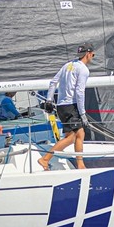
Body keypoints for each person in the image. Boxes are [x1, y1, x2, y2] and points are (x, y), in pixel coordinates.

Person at [38, 43, 94, 171]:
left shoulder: (67, 65)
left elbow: (53, 82)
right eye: (93, 55)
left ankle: (81, 165)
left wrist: (49, 100)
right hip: (71, 106)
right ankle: (45, 159)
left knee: (80, 133)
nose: (92, 57)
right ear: (88, 54)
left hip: (61, 106)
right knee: (71, 138)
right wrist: (83, 113)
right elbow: (80, 92)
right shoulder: (83, 69)